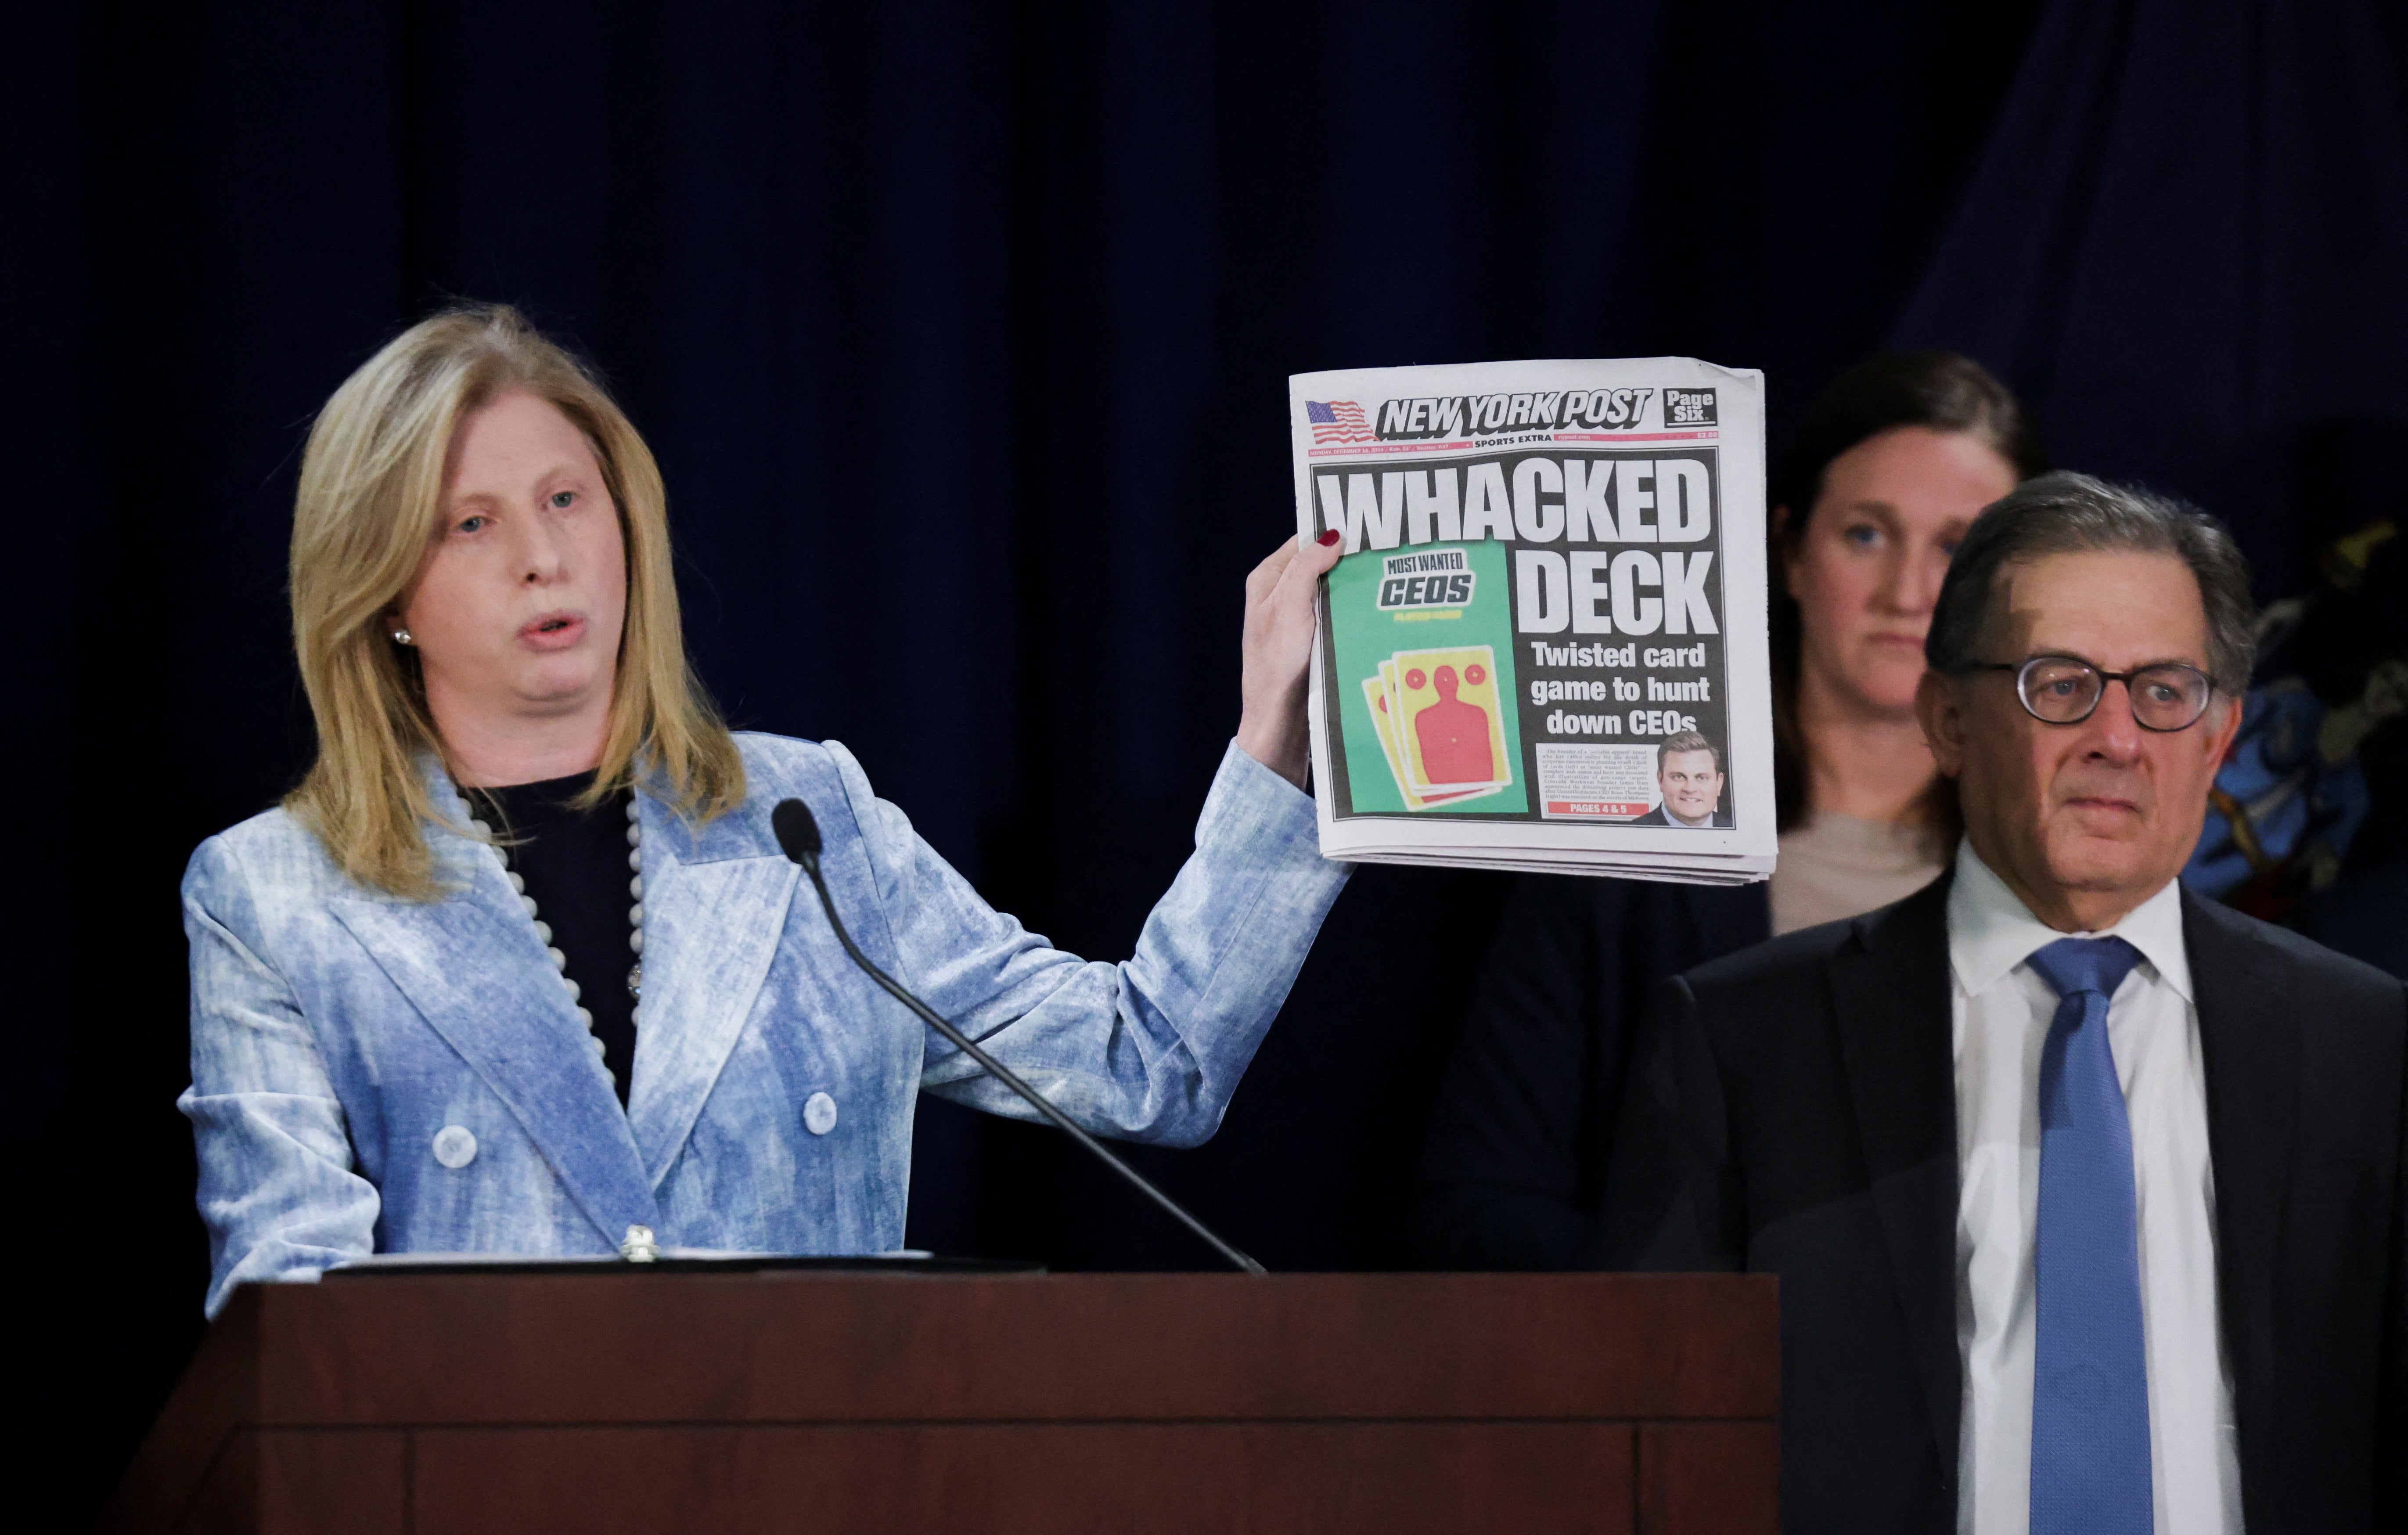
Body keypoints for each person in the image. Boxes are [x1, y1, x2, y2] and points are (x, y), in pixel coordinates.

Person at [180, 306, 1350, 1316]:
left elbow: (1148, 1064)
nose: (544, 555)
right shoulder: (274, 895)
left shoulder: (808, 817)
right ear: (381, 590)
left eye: (566, 498)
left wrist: (1277, 747)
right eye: (470, 522)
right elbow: (291, 1326)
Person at [1601, 473, 2406, 1534]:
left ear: (2217, 739)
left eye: (2164, 691)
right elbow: (1648, 1455)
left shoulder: (2366, 1045)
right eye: (2058, 683)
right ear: (1948, 719)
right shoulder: (1741, 1043)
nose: (2115, 738)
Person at [1415, 350, 2044, 1268]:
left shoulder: (2062, 869)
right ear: (1788, 550)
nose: (1909, 591)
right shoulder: (1624, 855)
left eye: (1957, 547)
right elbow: (1470, 1218)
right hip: (1687, 1396)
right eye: (1867, 534)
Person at [1634, 729, 1727, 827]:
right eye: (1679, 777)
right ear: (1661, 780)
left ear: (1719, 783)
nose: (1690, 789)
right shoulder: (1632, 832)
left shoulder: (1738, 833)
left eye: (1702, 778)